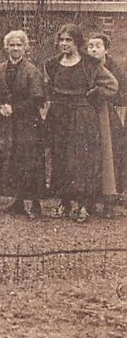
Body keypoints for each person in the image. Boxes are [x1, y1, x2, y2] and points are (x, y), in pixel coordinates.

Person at [44, 24, 117, 223]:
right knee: (61, 158)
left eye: (69, 40)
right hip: (59, 116)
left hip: (82, 116)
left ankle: (83, 204)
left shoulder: (90, 64)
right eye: (62, 40)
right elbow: (48, 87)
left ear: (77, 42)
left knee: (82, 161)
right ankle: (65, 202)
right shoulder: (52, 64)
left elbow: (111, 85)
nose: (64, 44)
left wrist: (94, 94)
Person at [0, 29, 46, 219]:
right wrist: (0, 106)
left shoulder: (32, 71)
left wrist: (15, 108)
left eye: (19, 45)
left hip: (28, 123)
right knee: (11, 160)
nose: (15, 48)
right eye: (12, 45)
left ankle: (35, 203)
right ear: (6, 47)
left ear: (25, 48)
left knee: (29, 160)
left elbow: (37, 98)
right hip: (6, 122)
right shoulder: (0, 69)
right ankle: (18, 201)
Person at [86, 32, 126, 217]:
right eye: (90, 46)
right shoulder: (84, 66)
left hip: (108, 116)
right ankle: (91, 198)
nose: (93, 49)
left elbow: (120, 93)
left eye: (98, 46)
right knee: (91, 155)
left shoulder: (113, 69)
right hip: (88, 115)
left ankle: (109, 201)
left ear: (106, 49)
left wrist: (100, 94)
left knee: (110, 156)